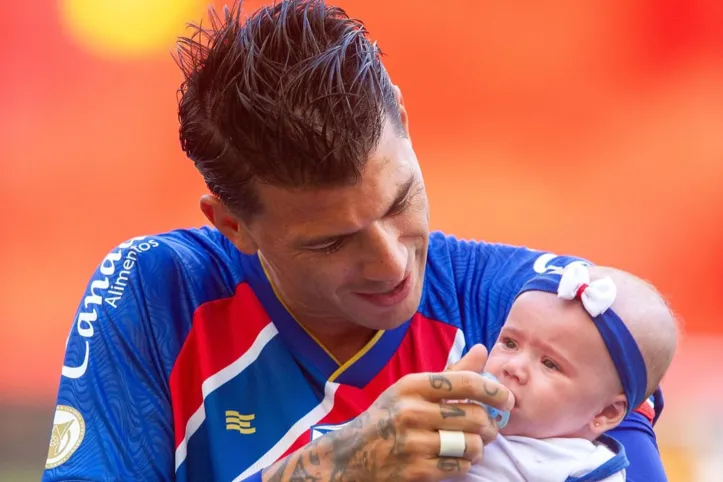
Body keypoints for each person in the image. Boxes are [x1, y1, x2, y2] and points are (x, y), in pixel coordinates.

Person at [42, 1, 669, 481]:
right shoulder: (158, 294)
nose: (392, 263)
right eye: (330, 244)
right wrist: (330, 468)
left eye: (400, 202)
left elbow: (629, 406)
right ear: (232, 224)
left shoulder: (525, 308)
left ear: (402, 115)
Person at [461, 264, 677, 481]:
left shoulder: (587, 469)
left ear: (606, 413)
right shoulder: (460, 407)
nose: (514, 367)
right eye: (509, 343)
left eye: (550, 364)